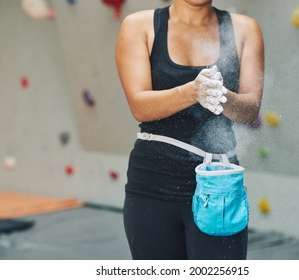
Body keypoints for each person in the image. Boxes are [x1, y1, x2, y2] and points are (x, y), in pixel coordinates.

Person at [115, 0, 264, 260]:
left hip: (219, 186)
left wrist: (219, 95)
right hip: (153, 184)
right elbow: (139, 106)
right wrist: (192, 92)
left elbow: (249, 110)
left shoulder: (245, 28)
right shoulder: (139, 26)